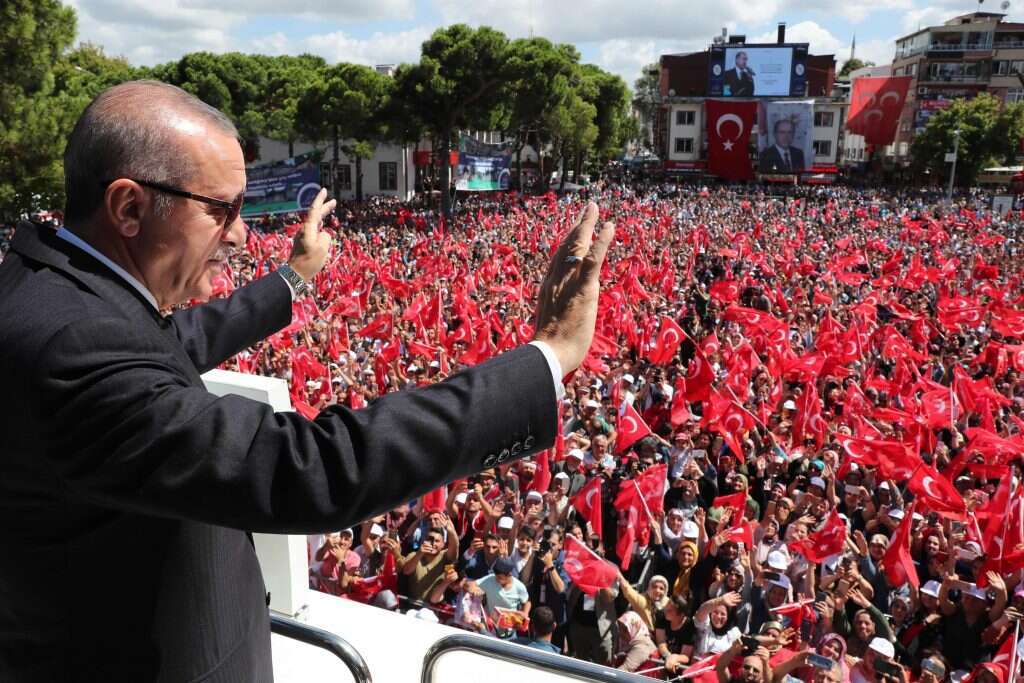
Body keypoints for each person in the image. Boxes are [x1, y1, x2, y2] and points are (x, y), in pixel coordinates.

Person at [0, 80, 615, 681]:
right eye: (222, 210)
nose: (241, 234)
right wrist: (548, 357)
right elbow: (309, 467)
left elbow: (165, 346)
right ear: (130, 207)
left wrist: (290, 279)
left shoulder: (54, 288)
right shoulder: (72, 349)